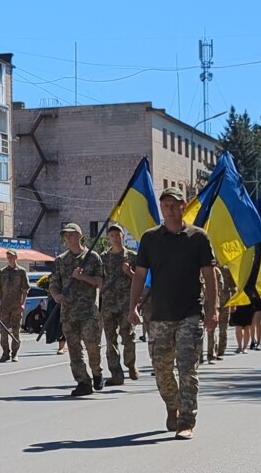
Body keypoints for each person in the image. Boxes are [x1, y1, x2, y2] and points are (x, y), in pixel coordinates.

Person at [129, 187, 218, 440]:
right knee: (162, 370)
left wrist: (213, 308)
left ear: (183, 205)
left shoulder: (198, 237)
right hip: (159, 315)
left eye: (174, 204)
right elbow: (139, 275)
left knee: (187, 369)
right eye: (165, 204)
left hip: (190, 314)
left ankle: (186, 420)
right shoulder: (150, 239)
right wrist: (132, 306)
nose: (169, 208)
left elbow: (210, 276)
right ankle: (172, 403)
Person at [49, 223, 105, 396]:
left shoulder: (92, 257)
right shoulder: (61, 260)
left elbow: (100, 282)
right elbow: (53, 284)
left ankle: (97, 372)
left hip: (88, 311)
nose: (68, 238)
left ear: (79, 236)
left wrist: (82, 277)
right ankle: (83, 382)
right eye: (65, 236)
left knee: (92, 347)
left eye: (71, 235)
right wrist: (56, 296)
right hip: (68, 313)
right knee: (74, 351)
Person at [100, 224, 137, 384]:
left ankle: (130, 364)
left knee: (128, 336)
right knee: (110, 340)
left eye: (117, 235)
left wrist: (129, 272)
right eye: (112, 235)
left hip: (126, 303)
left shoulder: (132, 257)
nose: (115, 238)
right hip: (108, 303)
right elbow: (99, 279)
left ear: (122, 236)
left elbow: (140, 279)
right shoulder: (103, 258)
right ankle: (116, 373)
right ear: (109, 238)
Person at [0, 249, 28, 363]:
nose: (9, 258)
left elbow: (25, 289)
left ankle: (15, 353)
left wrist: (23, 303)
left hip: (16, 306)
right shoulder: (2, 272)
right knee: (4, 331)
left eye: (11, 256)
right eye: (8, 256)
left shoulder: (21, 272)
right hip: (5, 306)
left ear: (16, 257)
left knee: (15, 331)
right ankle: (5, 352)